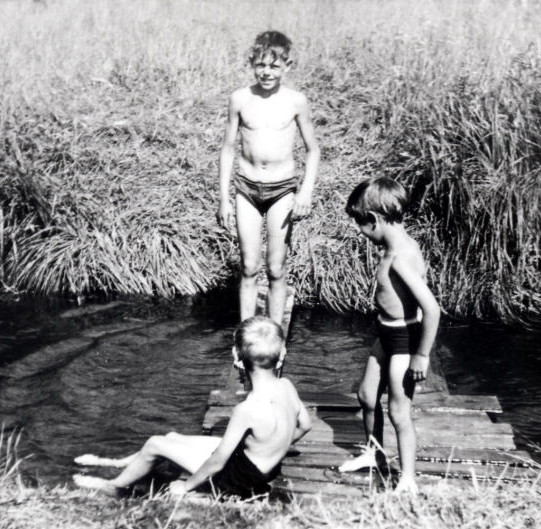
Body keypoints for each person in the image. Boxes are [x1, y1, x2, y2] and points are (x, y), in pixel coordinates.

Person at [73, 316, 312, 498]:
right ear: (282, 354)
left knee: (156, 443)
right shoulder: (286, 385)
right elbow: (305, 425)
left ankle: (114, 487)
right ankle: (119, 464)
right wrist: (273, 446)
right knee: (171, 436)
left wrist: (186, 486)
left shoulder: (247, 409)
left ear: (235, 356)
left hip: (240, 479)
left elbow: (218, 461)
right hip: (260, 465)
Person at [338, 176, 441, 494]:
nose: (359, 230)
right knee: (367, 396)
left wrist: (421, 355)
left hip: (404, 342)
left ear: (376, 220)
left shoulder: (400, 258)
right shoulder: (394, 245)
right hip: (386, 333)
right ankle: (374, 454)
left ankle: (408, 477)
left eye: (360, 224)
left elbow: (432, 309)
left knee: (399, 411)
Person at [217, 30, 321, 326]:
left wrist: (305, 193)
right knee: (249, 266)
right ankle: (247, 334)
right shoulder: (239, 99)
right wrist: (224, 198)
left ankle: (275, 334)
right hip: (246, 189)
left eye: (274, 66)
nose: (267, 72)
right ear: (252, 63)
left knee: (276, 267)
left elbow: (313, 150)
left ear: (287, 65)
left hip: (282, 190)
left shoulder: (296, 101)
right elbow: (227, 149)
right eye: (261, 65)